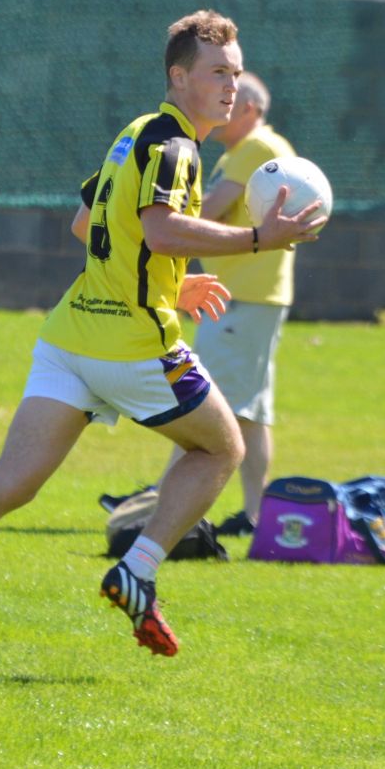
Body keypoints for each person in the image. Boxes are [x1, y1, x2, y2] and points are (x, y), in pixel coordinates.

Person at [0, 9, 326, 669]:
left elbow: (87, 223)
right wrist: (257, 238)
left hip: (70, 336)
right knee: (222, 447)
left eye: (234, 72)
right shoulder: (176, 147)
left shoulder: (133, 134)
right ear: (179, 76)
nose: (230, 85)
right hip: (133, 346)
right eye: (216, 72)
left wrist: (174, 282)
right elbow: (162, 231)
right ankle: (138, 567)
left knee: (12, 479)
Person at [159, 72, 297, 546]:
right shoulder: (242, 152)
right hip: (249, 296)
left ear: (252, 111)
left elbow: (210, 212)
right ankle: (256, 516)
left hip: (243, 297)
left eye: (234, 100)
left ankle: (160, 507)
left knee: (200, 402)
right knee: (251, 412)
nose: (225, 103)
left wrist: (157, 220)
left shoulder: (259, 148)